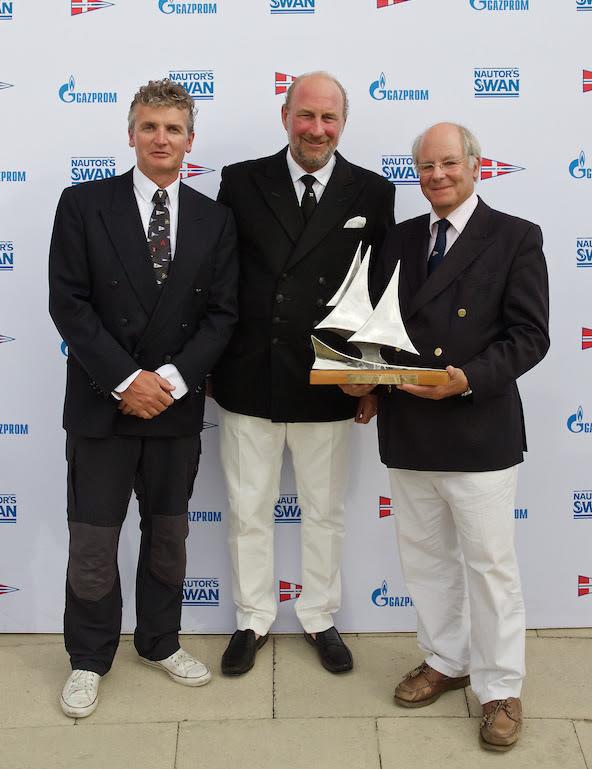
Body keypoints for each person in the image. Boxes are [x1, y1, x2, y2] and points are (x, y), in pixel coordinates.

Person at [344, 122, 549, 750]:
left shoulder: (516, 236)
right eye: (427, 167)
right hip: (410, 430)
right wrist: (365, 383)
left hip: (477, 428)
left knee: (489, 567)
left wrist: (465, 378)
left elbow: (530, 336)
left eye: (449, 163)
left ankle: (500, 688)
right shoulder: (399, 239)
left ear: (476, 166)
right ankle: (445, 660)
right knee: (427, 561)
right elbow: (378, 327)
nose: (437, 175)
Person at [49, 79, 238, 718]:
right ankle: (88, 656)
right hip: (104, 407)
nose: (162, 139)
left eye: (174, 129)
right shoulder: (82, 205)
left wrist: (172, 383)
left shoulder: (215, 219)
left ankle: (160, 642)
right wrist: (128, 381)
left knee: (168, 537)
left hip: (175, 410)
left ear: (191, 140)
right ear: (131, 134)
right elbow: (68, 303)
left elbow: (222, 315)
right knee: (94, 542)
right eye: (150, 127)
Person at [211, 71, 395, 676]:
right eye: (306, 116)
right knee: (247, 508)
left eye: (329, 118)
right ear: (285, 116)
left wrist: (372, 382)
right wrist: (211, 364)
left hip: (330, 380)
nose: (317, 129)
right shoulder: (240, 181)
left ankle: (319, 616)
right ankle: (252, 617)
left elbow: (378, 292)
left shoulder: (371, 190)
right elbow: (220, 281)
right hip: (249, 376)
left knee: (324, 510)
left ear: (343, 123)